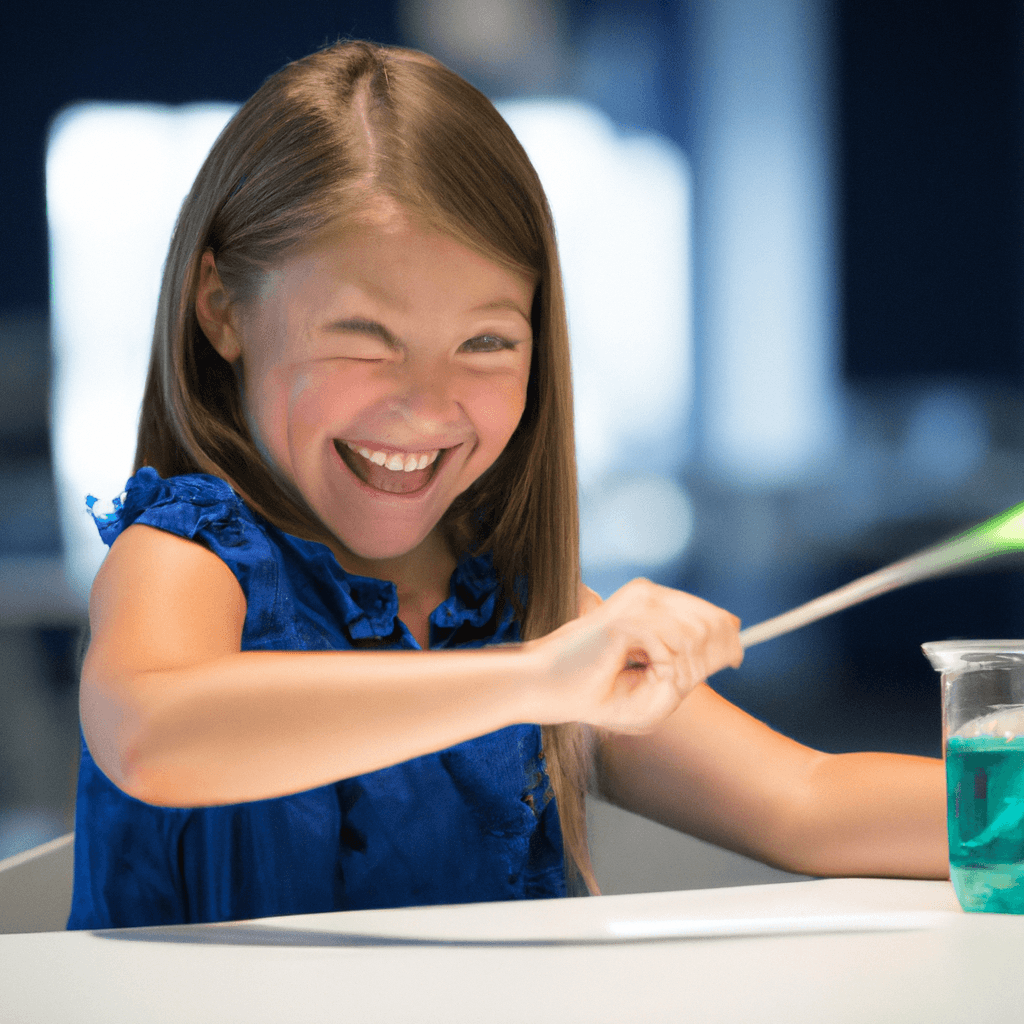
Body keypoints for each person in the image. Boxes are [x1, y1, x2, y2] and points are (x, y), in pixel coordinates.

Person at [68, 40, 947, 931]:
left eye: (486, 343)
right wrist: (534, 678)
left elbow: (806, 799)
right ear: (221, 307)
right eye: (365, 338)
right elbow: (153, 734)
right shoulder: (187, 561)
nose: (425, 406)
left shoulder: (523, 613)